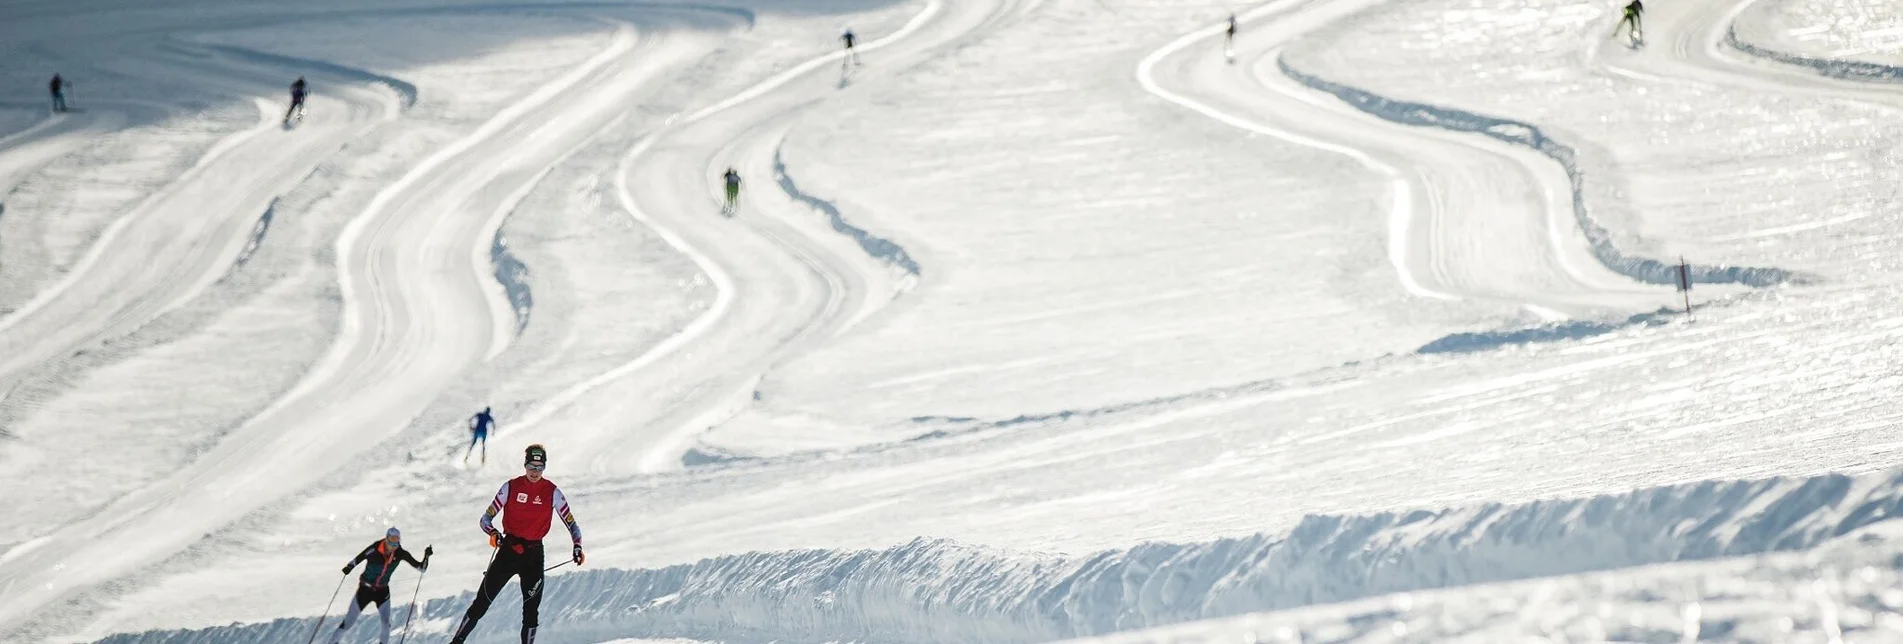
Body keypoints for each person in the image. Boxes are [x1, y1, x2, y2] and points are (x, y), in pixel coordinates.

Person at [448, 444, 583, 644]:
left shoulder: (552, 492)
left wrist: (577, 545)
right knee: (482, 602)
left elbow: (571, 523)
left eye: (539, 468)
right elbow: (485, 518)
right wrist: (493, 533)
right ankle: (456, 642)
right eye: (531, 466)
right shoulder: (510, 487)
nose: (535, 472)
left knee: (531, 612)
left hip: (534, 557)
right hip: (508, 552)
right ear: (525, 465)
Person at [331, 528, 431, 644]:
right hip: (365, 590)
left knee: (386, 623)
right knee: (348, 623)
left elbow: (421, 568)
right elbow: (359, 557)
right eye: (391, 540)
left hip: (382, 592)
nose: (394, 544)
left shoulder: (400, 553)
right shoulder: (375, 548)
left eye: (397, 541)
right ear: (386, 539)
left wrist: (426, 556)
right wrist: (349, 567)